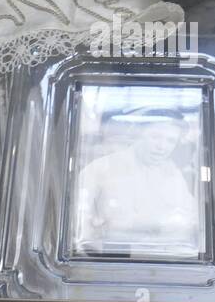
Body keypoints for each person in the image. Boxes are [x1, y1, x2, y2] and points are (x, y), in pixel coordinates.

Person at [73, 107, 202, 258]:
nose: (162, 146)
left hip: (165, 262)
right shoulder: (100, 168)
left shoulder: (172, 173)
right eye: (155, 136)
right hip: (110, 261)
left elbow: (190, 217)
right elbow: (79, 230)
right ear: (139, 133)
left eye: (170, 140)